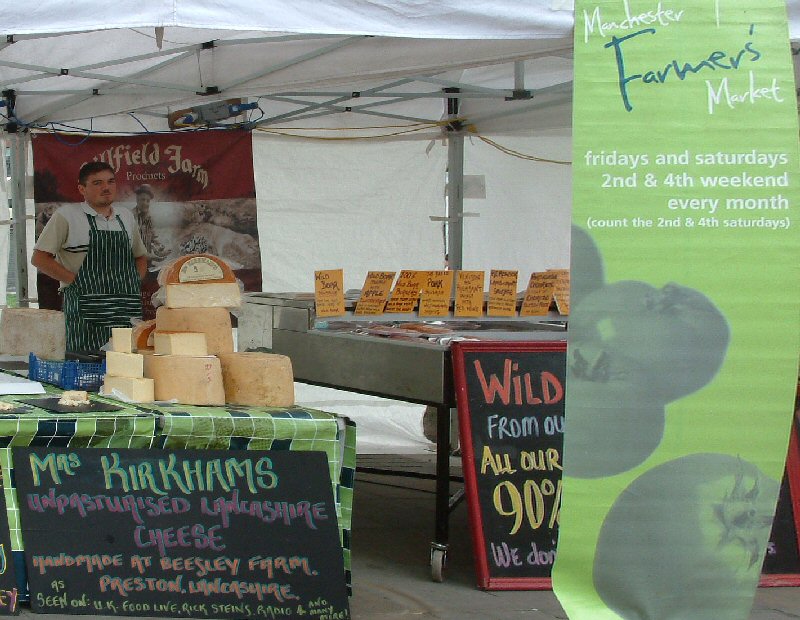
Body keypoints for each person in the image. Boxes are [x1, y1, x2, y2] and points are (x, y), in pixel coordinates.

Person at [32, 161, 148, 353]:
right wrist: (76, 282)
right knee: (84, 366)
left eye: (110, 182)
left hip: (125, 309)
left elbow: (140, 256)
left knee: (127, 368)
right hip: (85, 309)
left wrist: (134, 280)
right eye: (97, 183)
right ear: (81, 188)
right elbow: (39, 258)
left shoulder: (125, 216)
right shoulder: (66, 216)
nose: (106, 188)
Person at [131, 183, 166, 263]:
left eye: (148, 201)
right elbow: (131, 245)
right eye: (143, 200)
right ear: (137, 200)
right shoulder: (131, 217)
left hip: (148, 261)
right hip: (134, 262)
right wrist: (148, 256)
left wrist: (160, 247)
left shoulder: (149, 218)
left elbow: (153, 237)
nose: (145, 203)